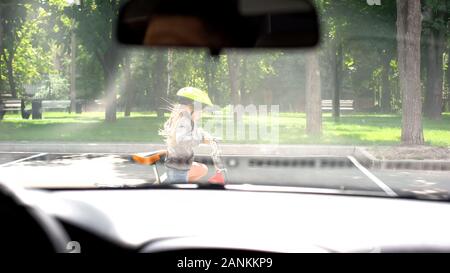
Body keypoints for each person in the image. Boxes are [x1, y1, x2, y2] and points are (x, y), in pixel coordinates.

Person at [159, 87, 214, 184]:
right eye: (201, 110)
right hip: (178, 168)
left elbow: (192, 132)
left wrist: (203, 134)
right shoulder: (185, 120)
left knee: (202, 169)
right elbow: (182, 139)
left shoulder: (187, 119)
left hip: (181, 164)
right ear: (192, 107)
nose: (201, 114)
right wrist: (201, 139)